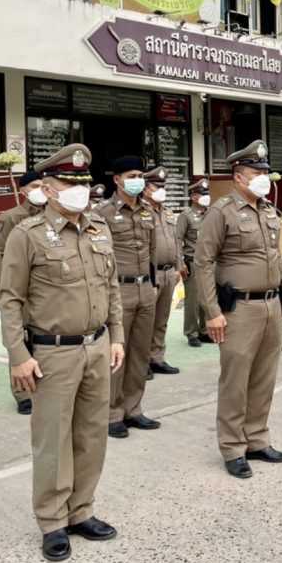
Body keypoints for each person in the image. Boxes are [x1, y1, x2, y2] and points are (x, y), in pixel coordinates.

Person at [0, 143, 124, 563]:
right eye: (70, 183)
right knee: (53, 439)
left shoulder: (98, 228)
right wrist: (18, 355)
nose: (80, 190)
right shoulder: (27, 235)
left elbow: (111, 288)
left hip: (97, 346)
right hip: (53, 353)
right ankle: (52, 520)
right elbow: (11, 299)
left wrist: (117, 336)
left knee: (92, 434)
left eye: (83, 182)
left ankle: (81, 510)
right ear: (48, 190)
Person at [194, 140, 282, 478]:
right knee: (235, 381)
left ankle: (257, 439)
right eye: (256, 172)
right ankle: (233, 447)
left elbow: (276, 256)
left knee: (264, 377)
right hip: (239, 308)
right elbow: (202, 263)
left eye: (265, 171)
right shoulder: (221, 212)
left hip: (270, 304)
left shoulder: (268, 210)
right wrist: (212, 312)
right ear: (238, 177)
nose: (264, 176)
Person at [96, 156, 159, 439]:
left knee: (140, 353)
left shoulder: (148, 211)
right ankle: (112, 413)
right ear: (117, 180)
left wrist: (153, 284)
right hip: (119, 290)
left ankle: (133, 409)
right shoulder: (103, 213)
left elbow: (153, 251)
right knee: (116, 353)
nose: (138, 180)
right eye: (132, 176)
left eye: (140, 175)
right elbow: (100, 257)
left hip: (145, 288)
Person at [0, 170, 47, 414]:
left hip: (45, 291)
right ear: (23, 190)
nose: (40, 190)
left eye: (43, 185)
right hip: (19, 289)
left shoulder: (51, 215)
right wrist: (0, 287)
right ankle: (22, 393)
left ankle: (43, 386)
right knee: (19, 338)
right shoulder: (11, 217)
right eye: (34, 186)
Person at [143, 167, 183, 377]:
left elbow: (175, 241)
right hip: (151, 273)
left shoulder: (167, 212)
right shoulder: (141, 212)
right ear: (145, 189)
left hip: (168, 272)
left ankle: (157, 357)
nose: (161, 189)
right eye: (156, 186)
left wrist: (178, 266)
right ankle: (142, 362)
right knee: (145, 320)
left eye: (162, 186)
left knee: (161, 319)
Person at [178, 179, 212, 347]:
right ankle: (191, 333)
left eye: (207, 194)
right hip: (192, 262)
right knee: (193, 301)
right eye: (201, 194)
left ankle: (204, 331)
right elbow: (177, 239)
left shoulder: (211, 214)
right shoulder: (186, 215)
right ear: (193, 197)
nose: (206, 197)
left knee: (207, 298)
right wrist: (179, 262)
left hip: (209, 263)